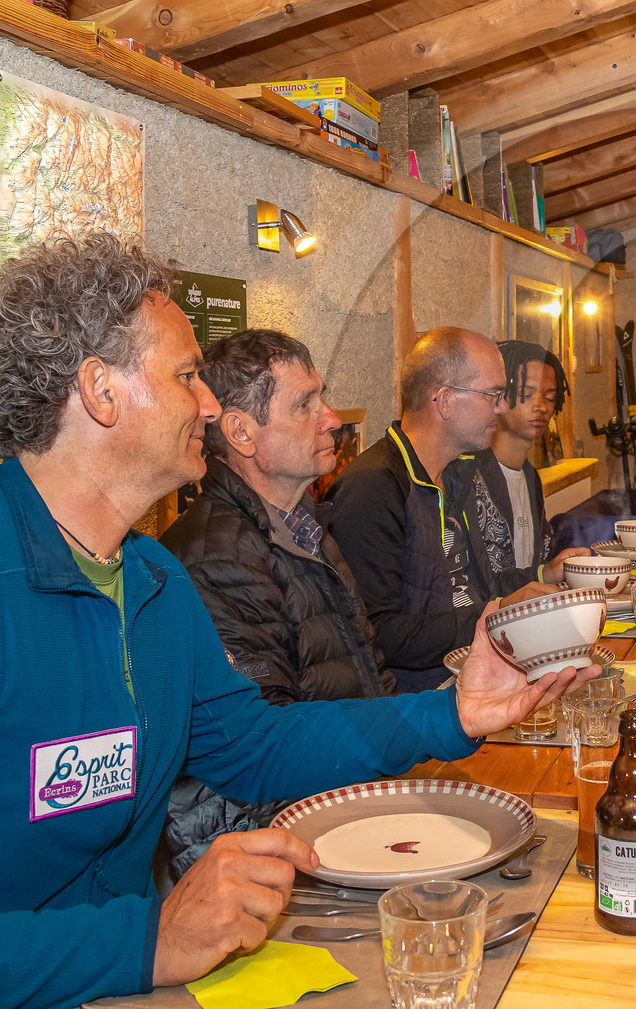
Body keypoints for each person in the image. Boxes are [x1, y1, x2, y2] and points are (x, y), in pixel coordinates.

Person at [0, 234, 594, 1006]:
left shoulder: (152, 577)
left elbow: (254, 745)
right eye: (188, 376)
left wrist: (452, 710)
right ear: (101, 391)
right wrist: (149, 939)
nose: (213, 406)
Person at [158, 328, 396, 876]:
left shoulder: (302, 527)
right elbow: (261, 756)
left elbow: (370, 676)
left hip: (345, 810)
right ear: (241, 432)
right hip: (278, 853)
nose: (333, 419)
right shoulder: (216, 556)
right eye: (305, 404)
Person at [327, 328, 574, 692]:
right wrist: (500, 615)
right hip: (424, 700)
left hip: (476, 673)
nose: (502, 407)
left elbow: (476, 589)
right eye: (493, 394)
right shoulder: (374, 487)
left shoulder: (456, 475)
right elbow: (377, 633)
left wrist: (543, 575)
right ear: (444, 401)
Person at [457, 340, 581, 599]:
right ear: (500, 395)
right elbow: (474, 580)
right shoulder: (469, 475)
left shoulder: (530, 476)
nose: (541, 407)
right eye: (527, 394)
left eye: (549, 398)